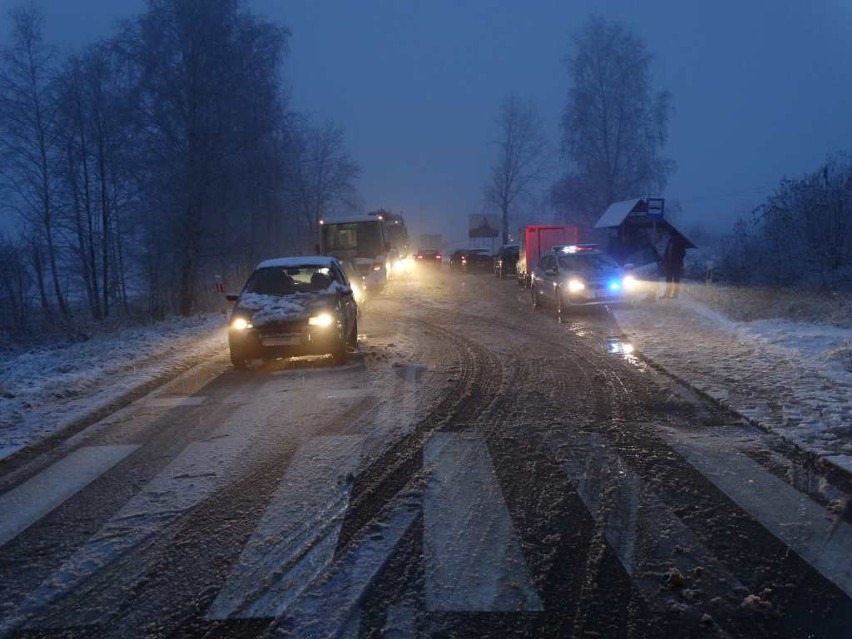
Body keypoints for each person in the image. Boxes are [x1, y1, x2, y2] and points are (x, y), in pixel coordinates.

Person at [661, 231, 687, 298]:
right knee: (668, 279)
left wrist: (677, 257)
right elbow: (666, 252)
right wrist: (664, 261)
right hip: (669, 263)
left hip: (676, 264)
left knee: (676, 279)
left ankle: (675, 294)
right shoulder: (670, 241)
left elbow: (683, 253)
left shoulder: (680, 241)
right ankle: (667, 293)